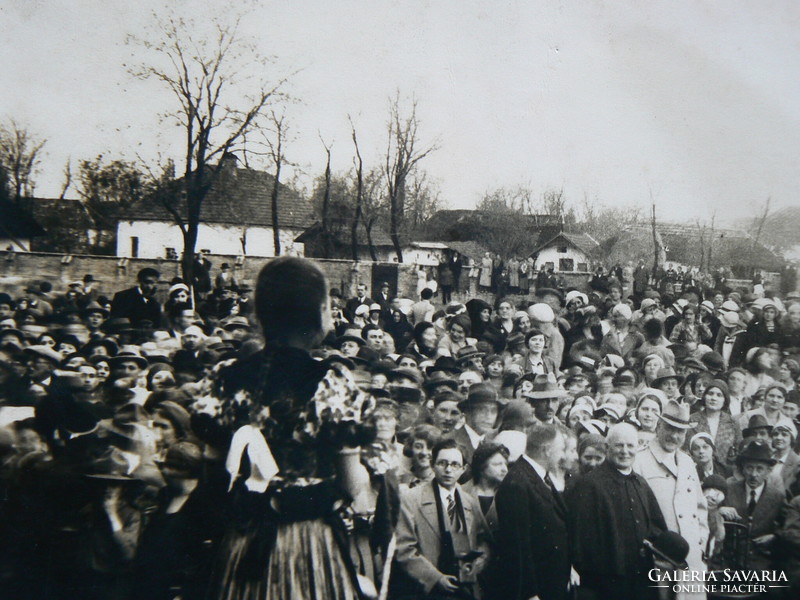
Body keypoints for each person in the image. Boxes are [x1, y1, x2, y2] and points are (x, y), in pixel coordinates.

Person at [204, 257, 376, 600]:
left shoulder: (225, 376)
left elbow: (213, 474)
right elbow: (351, 483)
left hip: (245, 544)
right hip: (311, 546)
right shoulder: (332, 382)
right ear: (319, 310)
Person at [565, 423, 667, 600]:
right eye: (619, 445)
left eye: (630, 446)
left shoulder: (640, 483)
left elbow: (656, 528)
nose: (625, 451)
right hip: (606, 584)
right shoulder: (590, 484)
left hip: (641, 579)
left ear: (638, 448)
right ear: (607, 448)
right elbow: (580, 541)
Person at [393, 438, 492, 600]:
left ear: (463, 469)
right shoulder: (411, 499)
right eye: (442, 463)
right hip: (426, 590)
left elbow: (485, 540)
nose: (448, 470)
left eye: (454, 465)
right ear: (433, 465)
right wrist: (435, 578)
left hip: (465, 589)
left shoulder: (469, 501)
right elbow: (404, 548)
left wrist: (481, 561)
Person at [634, 400, 708, 600]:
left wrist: (700, 546)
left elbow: (700, 508)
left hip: (690, 560)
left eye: (680, 432)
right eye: (670, 428)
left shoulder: (686, 462)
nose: (674, 436)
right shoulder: (639, 461)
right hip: (659, 560)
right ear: (658, 426)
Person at [495, 424, 576, 600]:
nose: (562, 455)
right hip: (537, 589)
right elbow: (517, 546)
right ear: (547, 450)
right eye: (561, 449)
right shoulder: (517, 483)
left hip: (553, 583)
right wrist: (529, 593)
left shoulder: (540, 476)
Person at [719, 440, 784, 570]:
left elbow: (787, 527)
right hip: (729, 564)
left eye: (760, 469)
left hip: (762, 566)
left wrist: (775, 536)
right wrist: (719, 510)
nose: (754, 474)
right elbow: (709, 517)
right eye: (750, 468)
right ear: (743, 468)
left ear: (768, 471)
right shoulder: (729, 490)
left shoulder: (777, 497)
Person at [687, 380, 741, 468]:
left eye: (719, 395)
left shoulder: (732, 422)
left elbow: (739, 450)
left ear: (725, 400)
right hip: (697, 470)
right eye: (710, 393)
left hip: (725, 473)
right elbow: (686, 449)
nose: (713, 398)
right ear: (704, 397)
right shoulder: (692, 419)